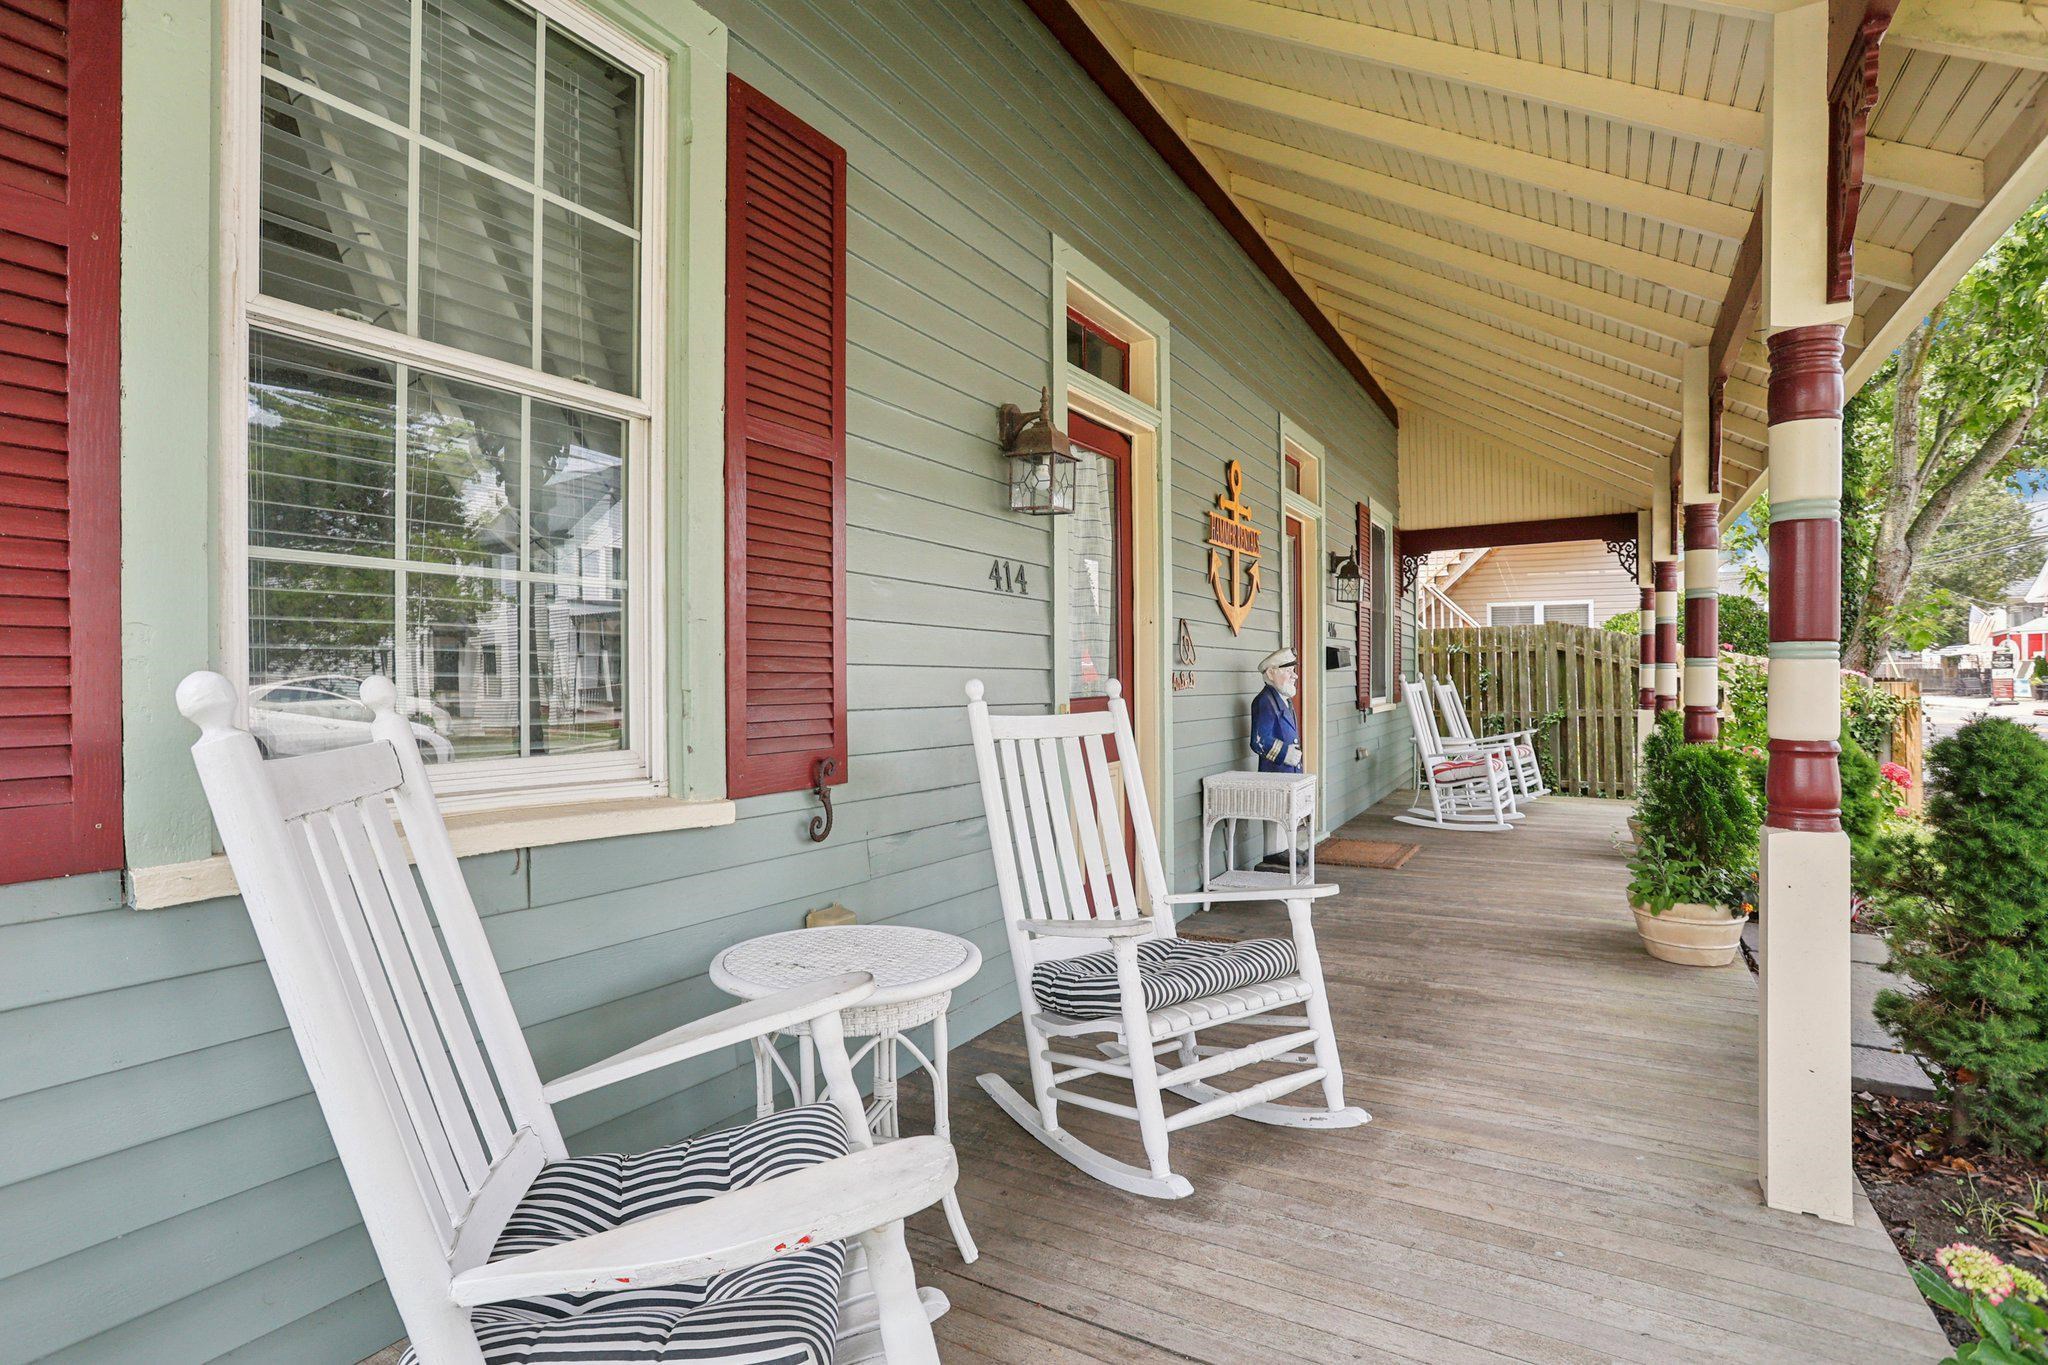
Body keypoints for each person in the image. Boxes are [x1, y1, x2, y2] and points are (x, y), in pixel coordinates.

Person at [1249, 647, 1303, 773]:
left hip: (1289, 773)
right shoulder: (1265, 701)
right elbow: (1258, 740)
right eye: (1288, 671)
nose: (1295, 676)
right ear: (1270, 674)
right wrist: (1285, 754)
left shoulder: (1285, 700)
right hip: (1276, 775)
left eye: (1293, 670)